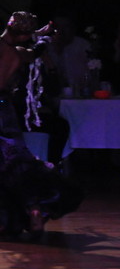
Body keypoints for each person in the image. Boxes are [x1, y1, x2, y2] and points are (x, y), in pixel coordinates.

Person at [0, 12, 83, 236]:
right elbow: (34, 49)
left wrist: (35, 34)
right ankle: (34, 206)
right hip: (4, 108)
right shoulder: (19, 54)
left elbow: (13, 37)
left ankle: (5, 219)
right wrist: (42, 36)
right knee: (18, 162)